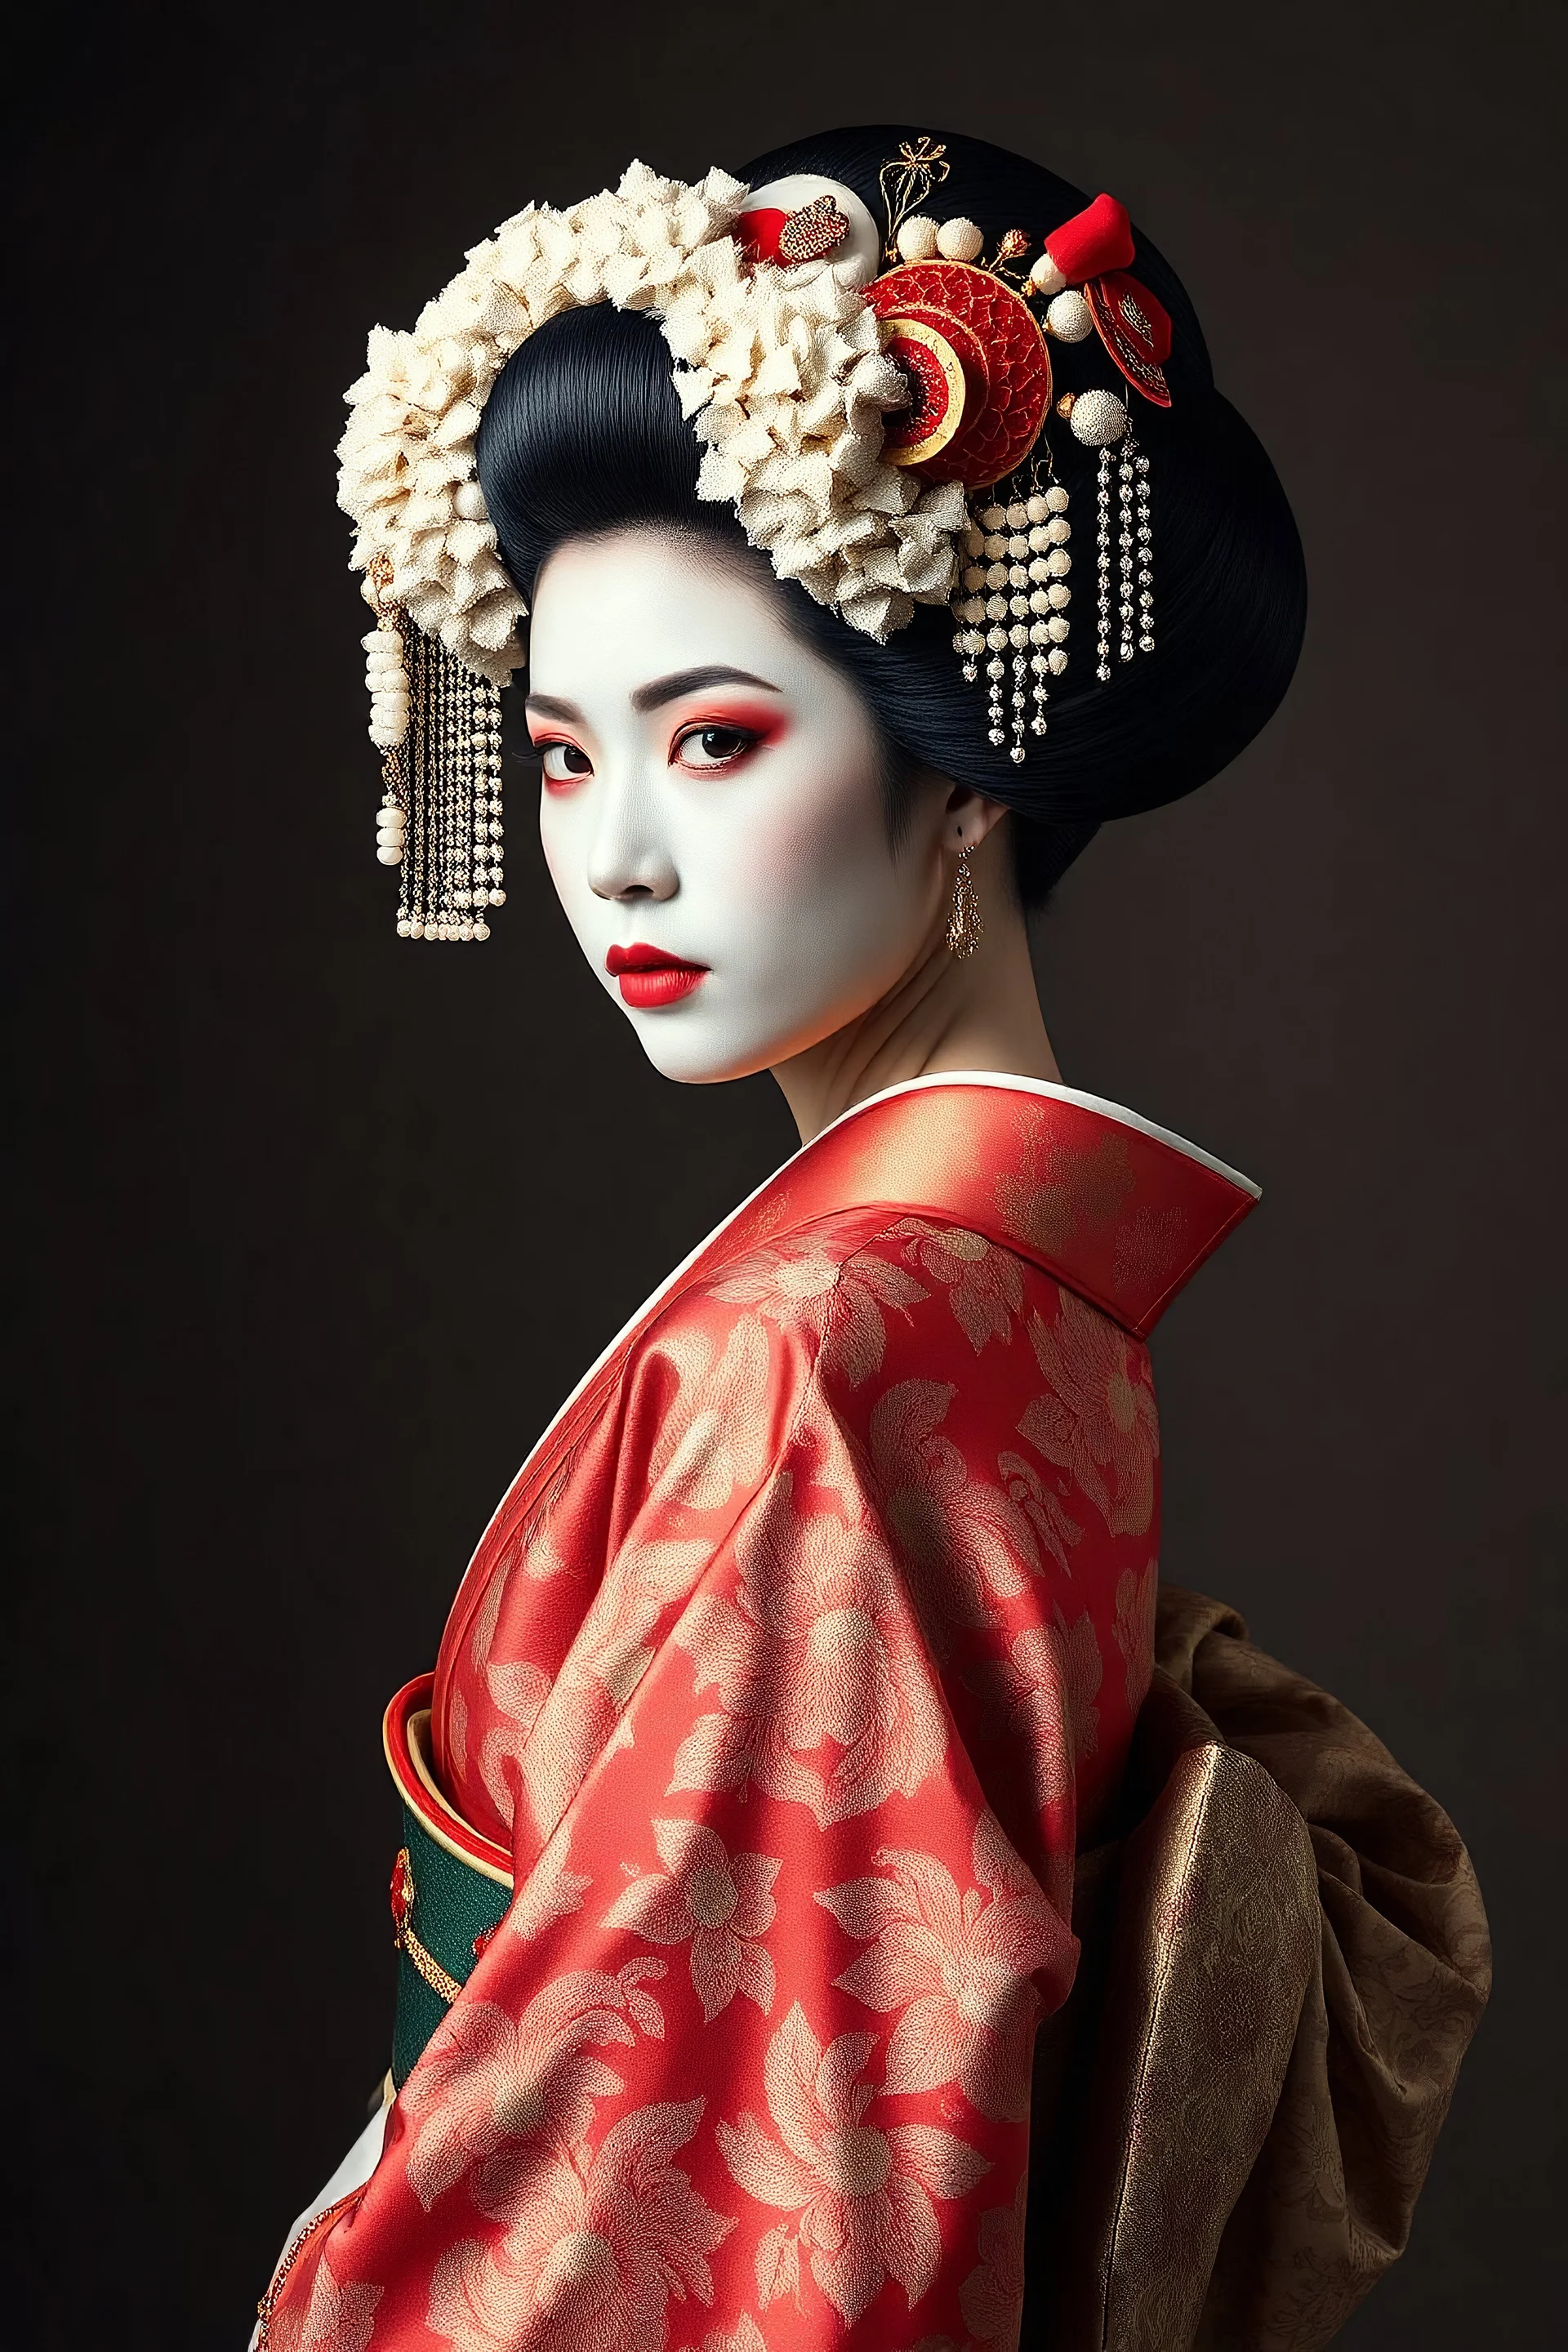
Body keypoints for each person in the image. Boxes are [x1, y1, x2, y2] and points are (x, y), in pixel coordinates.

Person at [256, 127, 1489, 2351]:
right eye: (551, 763)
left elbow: (751, 2191)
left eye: (713, 743)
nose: (613, 858)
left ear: (970, 764)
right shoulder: (996, 1296)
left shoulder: (835, 1354)